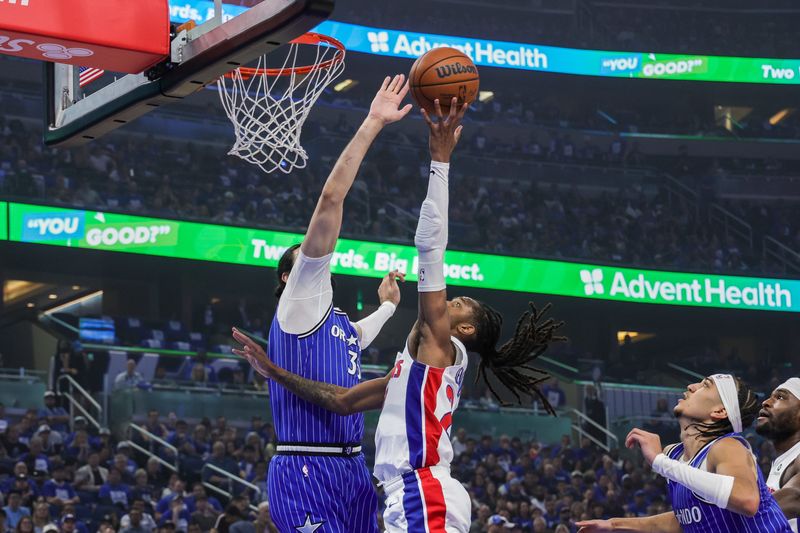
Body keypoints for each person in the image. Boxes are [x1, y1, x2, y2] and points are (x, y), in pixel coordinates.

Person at [234, 98, 566, 531]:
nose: (450, 298)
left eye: (460, 302)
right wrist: (388, 307)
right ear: (287, 277)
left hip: (413, 490)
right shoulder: (409, 368)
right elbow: (343, 397)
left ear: (463, 328)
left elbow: (429, 248)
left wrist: (439, 161)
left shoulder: (439, 344)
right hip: (361, 481)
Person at [229, 74, 413, 533]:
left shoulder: (328, 319)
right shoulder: (298, 301)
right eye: (305, 257)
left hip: (352, 470)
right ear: (289, 277)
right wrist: (372, 122)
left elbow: (355, 337)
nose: (315, 254)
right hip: (307, 466)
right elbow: (332, 198)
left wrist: (387, 306)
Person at [577, 374, 792, 532]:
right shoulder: (675, 456)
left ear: (719, 411)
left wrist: (660, 462)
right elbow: (683, 521)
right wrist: (613, 524)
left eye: (705, 385)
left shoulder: (727, 447)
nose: (690, 386)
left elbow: (746, 500)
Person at [756, 377, 800, 531]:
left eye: (780, 397)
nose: (766, 402)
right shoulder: (784, 459)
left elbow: (796, 496)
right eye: (770, 396)